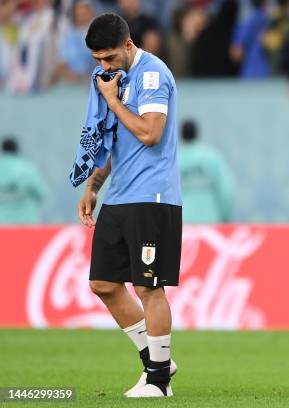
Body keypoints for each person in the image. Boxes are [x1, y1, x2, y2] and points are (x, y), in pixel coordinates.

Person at [77, 13, 181, 398]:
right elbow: (112, 137)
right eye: (96, 61)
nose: (103, 67)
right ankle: (158, 361)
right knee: (102, 284)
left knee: (148, 287)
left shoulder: (153, 74)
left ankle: (158, 381)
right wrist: (93, 186)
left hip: (152, 196)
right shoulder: (109, 79)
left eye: (108, 58)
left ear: (128, 45)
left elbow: (150, 133)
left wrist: (111, 100)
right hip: (119, 194)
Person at [179, 119, 235, 223]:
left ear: (181, 135)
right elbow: (226, 191)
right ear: (197, 134)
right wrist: (226, 218)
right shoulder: (212, 157)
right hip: (210, 223)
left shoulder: (173, 160)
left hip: (182, 224)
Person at [0, 137, 47, 224]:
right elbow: (41, 195)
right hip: (26, 222)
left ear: (2, 150)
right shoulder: (29, 169)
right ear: (16, 149)